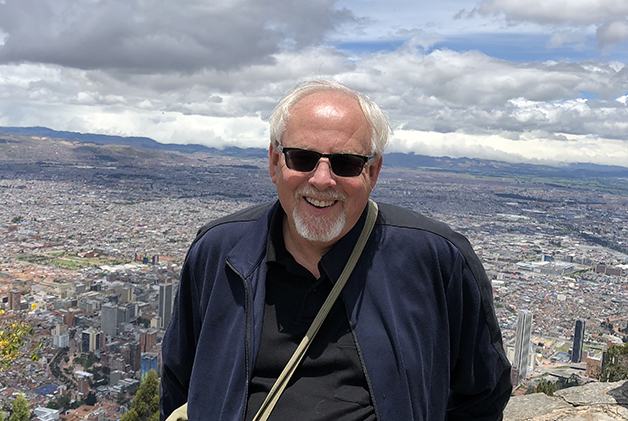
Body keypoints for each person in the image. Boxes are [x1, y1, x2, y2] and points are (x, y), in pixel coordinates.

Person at [160, 79, 512, 420]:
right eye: (302, 158)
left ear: (372, 172)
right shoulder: (218, 253)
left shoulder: (435, 259)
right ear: (274, 163)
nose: (322, 179)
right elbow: (180, 383)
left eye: (346, 163)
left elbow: (483, 392)